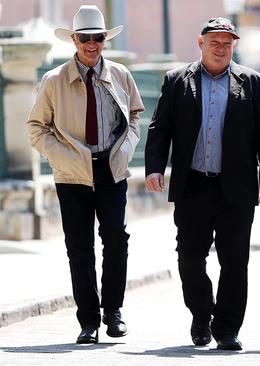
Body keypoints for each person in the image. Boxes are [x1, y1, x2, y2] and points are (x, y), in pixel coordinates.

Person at [144, 17, 260, 350]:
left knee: (235, 261)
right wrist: (154, 167)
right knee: (190, 257)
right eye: (215, 42)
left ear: (235, 45)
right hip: (193, 186)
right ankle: (201, 316)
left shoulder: (253, 82)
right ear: (200, 43)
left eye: (228, 43)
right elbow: (160, 128)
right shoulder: (177, 81)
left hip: (237, 186)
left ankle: (228, 328)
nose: (221, 48)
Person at [25, 5, 142, 344]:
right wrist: (61, 156)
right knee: (79, 246)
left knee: (116, 239)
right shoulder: (54, 80)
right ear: (74, 40)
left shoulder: (121, 74)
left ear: (105, 39)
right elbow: (36, 126)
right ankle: (88, 321)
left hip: (111, 169)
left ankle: (114, 312)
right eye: (86, 38)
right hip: (71, 174)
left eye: (98, 38)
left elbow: (135, 116)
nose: (92, 44)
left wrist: (125, 150)